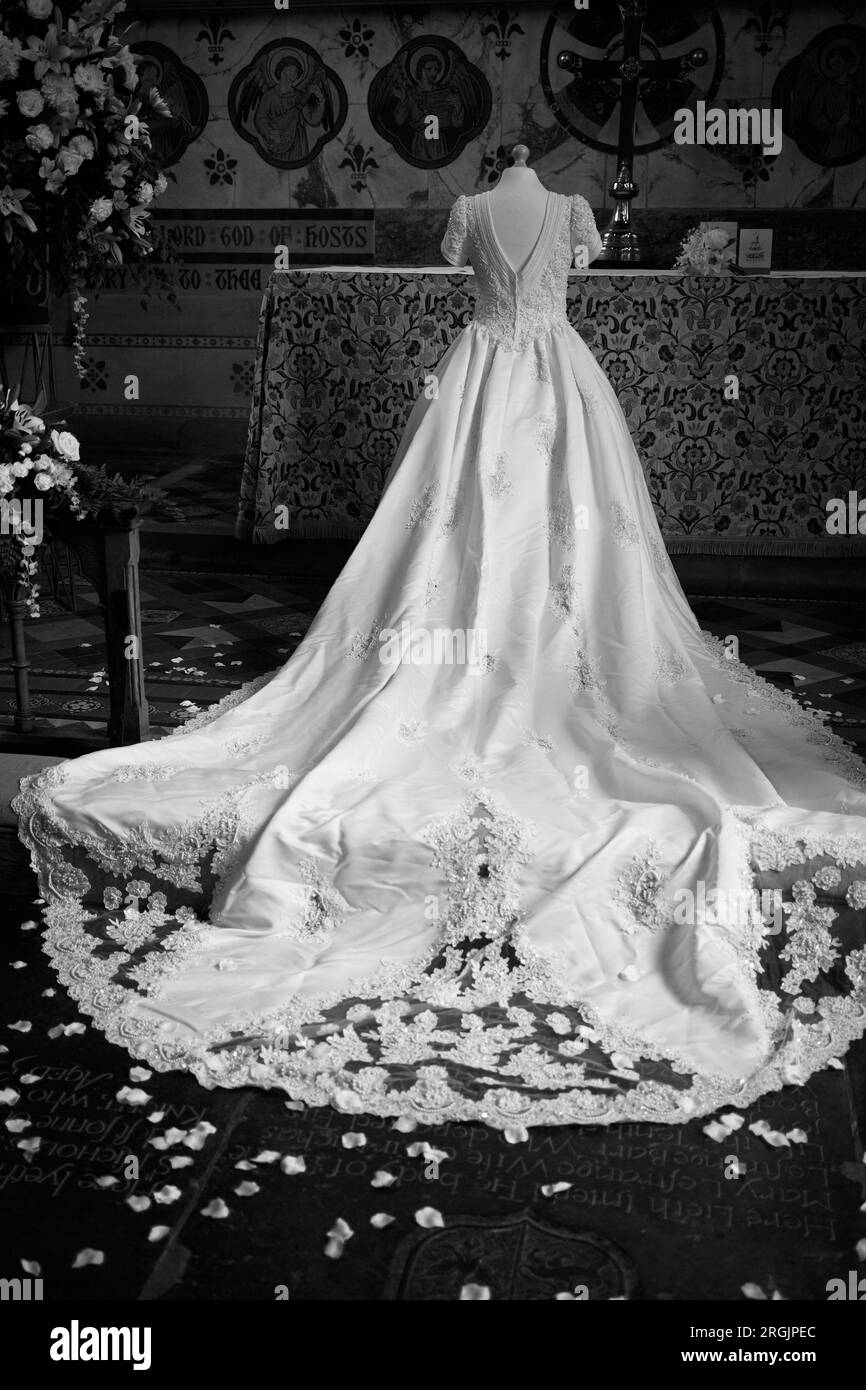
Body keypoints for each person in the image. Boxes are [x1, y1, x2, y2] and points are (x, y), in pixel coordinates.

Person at [14, 168, 866, 1130]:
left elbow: (489, 274)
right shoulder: (563, 214)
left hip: (486, 380)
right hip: (552, 379)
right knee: (473, 542)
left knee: (518, 545)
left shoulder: (479, 214)